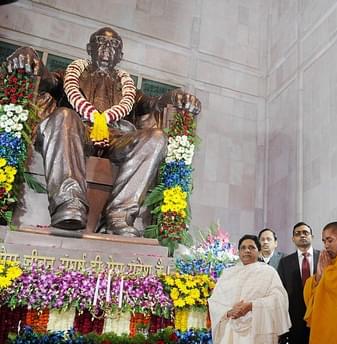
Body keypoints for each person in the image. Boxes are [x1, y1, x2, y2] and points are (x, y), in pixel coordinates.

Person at [5, 26, 201, 236]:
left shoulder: (128, 89)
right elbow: (47, 80)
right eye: (102, 41)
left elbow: (153, 103)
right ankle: (69, 203)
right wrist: (29, 55)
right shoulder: (70, 74)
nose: (107, 47)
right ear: (90, 48)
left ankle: (119, 216)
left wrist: (174, 96)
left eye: (114, 44)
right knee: (63, 115)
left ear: (120, 56)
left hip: (117, 138)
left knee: (156, 138)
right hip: (75, 133)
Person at [209, 234, 291, 344]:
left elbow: (279, 299)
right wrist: (229, 311)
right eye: (243, 248)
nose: (247, 251)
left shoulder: (268, 272)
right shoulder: (228, 274)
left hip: (257, 332)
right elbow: (214, 302)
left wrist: (253, 305)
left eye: (251, 247)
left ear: (259, 252)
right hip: (230, 334)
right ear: (238, 252)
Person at [276, 222, 319, 344]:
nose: (302, 235)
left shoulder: (324, 258)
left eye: (306, 232)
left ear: (312, 236)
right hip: (295, 323)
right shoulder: (285, 263)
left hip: (319, 321)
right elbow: (280, 295)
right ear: (293, 238)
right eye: (298, 233)